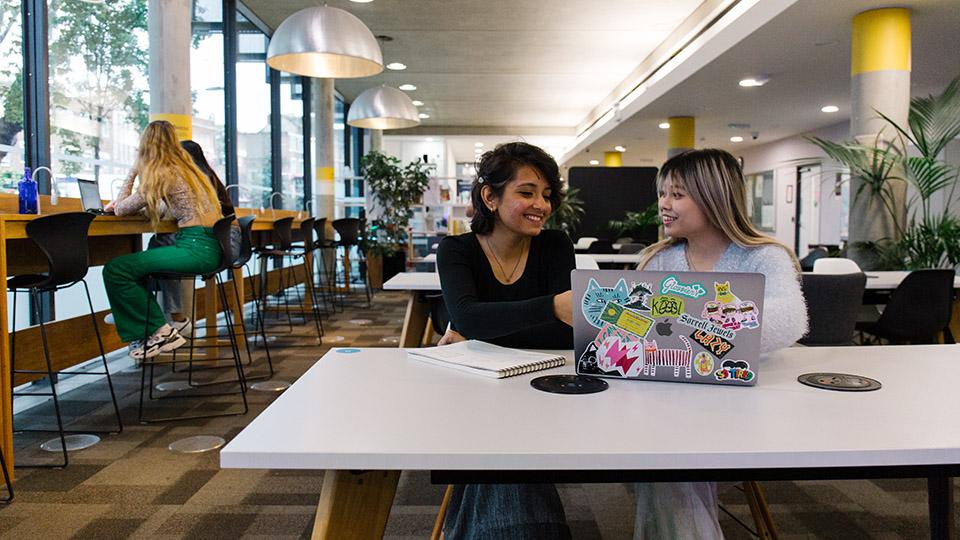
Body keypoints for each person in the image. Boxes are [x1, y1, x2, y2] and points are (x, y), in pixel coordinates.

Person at [633, 148, 808, 539]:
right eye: (663, 193)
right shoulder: (658, 260)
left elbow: (792, 320)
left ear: (715, 197)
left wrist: (689, 326)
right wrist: (719, 326)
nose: (664, 204)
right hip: (671, 404)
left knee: (665, 464)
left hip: (744, 408)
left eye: (677, 194)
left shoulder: (763, 257)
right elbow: (641, 329)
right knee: (665, 456)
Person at [436, 141, 574, 539]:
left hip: (546, 389)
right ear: (490, 197)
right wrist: (550, 305)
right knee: (498, 443)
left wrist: (479, 328)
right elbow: (467, 316)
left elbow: (564, 332)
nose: (542, 205)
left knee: (498, 449)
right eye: (527, 192)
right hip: (473, 393)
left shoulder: (554, 245)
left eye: (547, 195)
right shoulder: (456, 250)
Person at [103, 121, 224, 360]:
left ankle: (159, 330)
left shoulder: (163, 172)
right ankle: (142, 318)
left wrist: (134, 169)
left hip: (196, 247)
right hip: (210, 244)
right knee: (141, 263)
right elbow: (163, 209)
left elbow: (121, 209)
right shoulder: (189, 171)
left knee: (116, 270)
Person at [145, 140, 239, 336]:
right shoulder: (209, 177)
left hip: (212, 246)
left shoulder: (192, 181)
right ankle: (167, 314)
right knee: (162, 246)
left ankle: (165, 314)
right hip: (226, 244)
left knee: (159, 245)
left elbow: (171, 212)